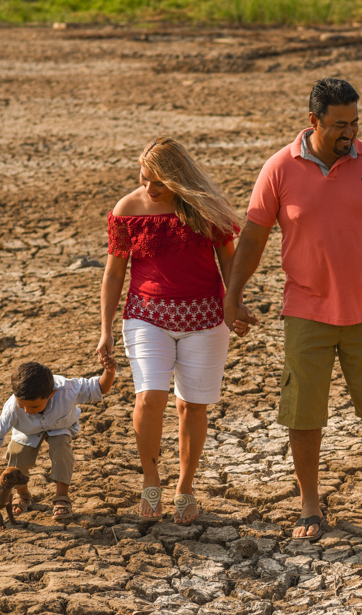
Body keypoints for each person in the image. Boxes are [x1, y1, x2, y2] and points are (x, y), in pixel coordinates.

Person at [223, 77, 362, 542]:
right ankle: (309, 500)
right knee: (304, 412)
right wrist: (233, 293)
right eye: (340, 125)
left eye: (356, 123)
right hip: (306, 310)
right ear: (313, 121)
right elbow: (254, 238)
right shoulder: (279, 169)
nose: (351, 134)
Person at [97, 137, 242, 525]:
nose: (149, 188)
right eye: (144, 179)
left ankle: (185, 486)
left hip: (206, 318)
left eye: (158, 182)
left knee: (192, 405)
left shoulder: (205, 207)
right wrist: (105, 329)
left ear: (178, 178)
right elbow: (114, 274)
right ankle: (151, 481)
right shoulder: (127, 210)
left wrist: (234, 304)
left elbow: (230, 262)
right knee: (149, 398)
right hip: (146, 315)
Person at [0, 358, 118, 521]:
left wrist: (109, 372)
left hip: (60, 427)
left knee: (61, 450)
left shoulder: (67, 390)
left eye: (33, 407)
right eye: (21, 404)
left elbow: (100, 388)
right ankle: (22, 495)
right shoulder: (12, 409)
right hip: (27, 431)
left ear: (51, 394)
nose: (26, 410)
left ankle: (62, 498)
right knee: (16, 455)